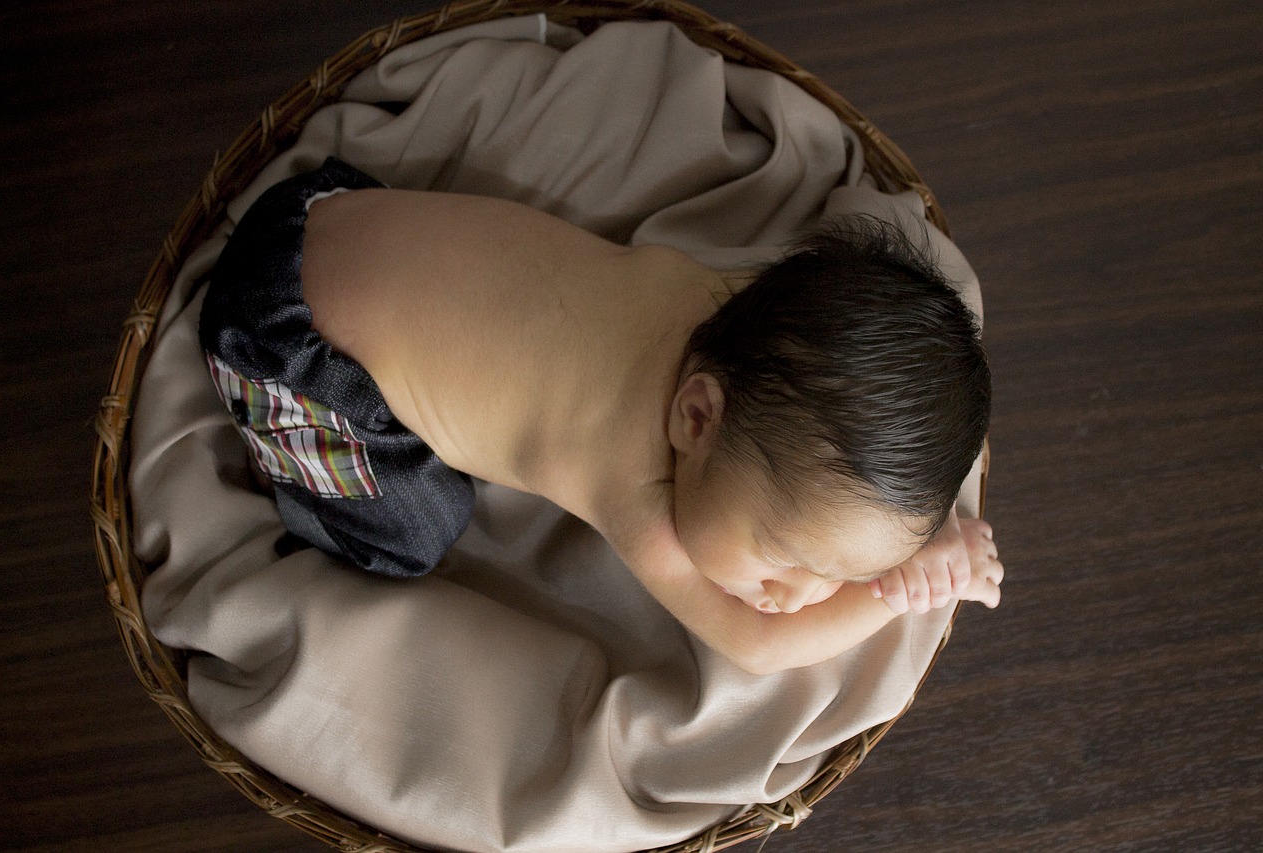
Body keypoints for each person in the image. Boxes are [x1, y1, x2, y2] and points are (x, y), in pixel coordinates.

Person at [200, 158, 1003, 676]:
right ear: (695, 416)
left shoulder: (737, 307)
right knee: (419, 528)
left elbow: (842, 365)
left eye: (839, 578)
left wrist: (880, 552)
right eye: (781, 558)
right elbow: (760, 649)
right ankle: (317, 507)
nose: (797, 596)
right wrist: (899, 591)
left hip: (320, 206)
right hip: (290, 351)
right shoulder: (639, 495)